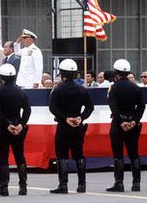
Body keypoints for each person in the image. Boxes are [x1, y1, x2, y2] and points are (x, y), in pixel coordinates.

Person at [49, 59, 94, 194]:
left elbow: (52, 108)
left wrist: (65, 118)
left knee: (62, 155)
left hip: (63, 126)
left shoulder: (58, 89)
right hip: (78, 125)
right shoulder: (81, 89)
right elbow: (90, 107)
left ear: (62, 74)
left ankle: (63, 185)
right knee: (79, 154)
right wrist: (81, 117)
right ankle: (82, 185)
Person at [0, 64, 31, 197]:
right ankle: (23, 187)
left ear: (2, 78)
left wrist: (7, 124)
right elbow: (27, 110)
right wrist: (21, 124)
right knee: (20, 155)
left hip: (4, 128)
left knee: (3, 157)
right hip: (18, 127)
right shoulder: (20, 91)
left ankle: (3, 187)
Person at [106, 59, 145, 192]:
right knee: (134, 153)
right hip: (133, 124)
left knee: (118, 154)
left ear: (116, 73)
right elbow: (141, 106)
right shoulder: (136, 87)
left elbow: (113, 107)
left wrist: (121, 122)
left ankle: (119, 183)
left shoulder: (114, 88)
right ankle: (136, 183)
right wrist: (134, 120)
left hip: (118, 124)